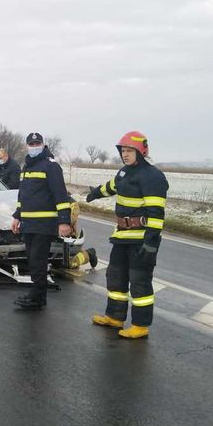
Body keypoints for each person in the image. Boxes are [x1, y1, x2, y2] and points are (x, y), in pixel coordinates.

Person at [87, 131, 169, 339]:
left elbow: (156, 213)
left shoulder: (152, 177)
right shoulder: (124, 172)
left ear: (141, 151)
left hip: (141, 239)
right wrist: (95, 192)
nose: (125, 154)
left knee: (139, 281)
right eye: (123, 151)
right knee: (116, 277)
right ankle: (115, 317)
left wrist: (151, 243)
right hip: (122, 236)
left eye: (129, 151)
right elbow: (112, 187)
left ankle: (140, 326)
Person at [11, 132, 73, 310]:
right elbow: (23, 196)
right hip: (29, 224)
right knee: (32, 259)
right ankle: (37, 294)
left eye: (37, 143)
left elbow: (61, 196)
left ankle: (37, 296)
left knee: (38, 260)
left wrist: (64, 222)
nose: (34, 146)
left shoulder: (51, 166)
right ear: (27, 146)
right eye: (31, 143)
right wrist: (17, 215)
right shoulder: (27, 167)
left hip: (44, 224)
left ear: (43, 144)